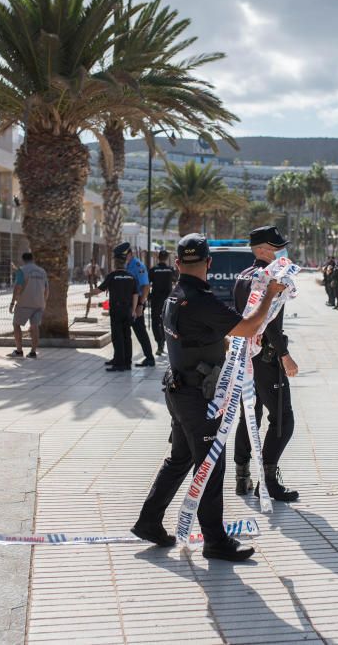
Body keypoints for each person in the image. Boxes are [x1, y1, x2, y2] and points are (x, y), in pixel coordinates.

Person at [131, 233, 286, 562]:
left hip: (178, 389)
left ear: (176, 263)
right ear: (209, 263)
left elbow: (198, 337)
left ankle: (148, 521)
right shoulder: (201, 300)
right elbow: (248, 327)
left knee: (180, 459)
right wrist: (271, 295)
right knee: (211, 466)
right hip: (198, 399)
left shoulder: (176, 295)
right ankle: (215, 541)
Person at [232, 225, 300, 502]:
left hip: (244, 356)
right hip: (266, 356)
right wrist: (285, 355)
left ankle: (242, 476)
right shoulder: (267, 278)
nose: (279, 253)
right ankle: (268, 482)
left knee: (250, 415)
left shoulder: (243, 276)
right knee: (283, 417)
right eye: (274, 248)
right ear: (261, 249)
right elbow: (268, 323)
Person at [87, 255, 138, 372]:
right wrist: (134, 310)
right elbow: (135, 294)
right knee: (127, 336)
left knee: (117, 336)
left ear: (115, 264)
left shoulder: (112, 276)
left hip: (116, 309)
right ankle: (126, 363)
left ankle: (119, 364)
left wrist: (89, 294)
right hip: (127, 310)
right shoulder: (131, 277)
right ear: (125, 264)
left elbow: (100, 289)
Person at [116, 242, 156, 367]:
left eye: (123, 256)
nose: (121, 259)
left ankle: (149, 358)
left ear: (130, 254)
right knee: (126, 331)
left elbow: (146, 286)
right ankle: (123, 359)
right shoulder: (126, 265)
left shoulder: (138, 265)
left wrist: (140, 305)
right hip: (127, 302)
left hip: (137, 300)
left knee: (140, 331)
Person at [8, 252, 49, 359]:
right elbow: (47, 289)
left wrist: (13, 303)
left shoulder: (22, 270)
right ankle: (33, 352)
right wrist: (43, 302)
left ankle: (19, 350)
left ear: (23, 260)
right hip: (39, 304)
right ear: (33, 259)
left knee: (16, 325)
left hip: (24, 304)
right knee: (35, 327)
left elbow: (17, 287)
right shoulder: (42, 271)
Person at [149, 250, 177, 356]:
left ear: (158, 257)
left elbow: (147, 283)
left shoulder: (153, 270)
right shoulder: (170, 270)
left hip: (156, 300)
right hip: (168, 301)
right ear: (166, 258)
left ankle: (159, 344)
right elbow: (176, 281)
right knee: (167, 322)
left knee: (156, 323)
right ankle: (165, 342)